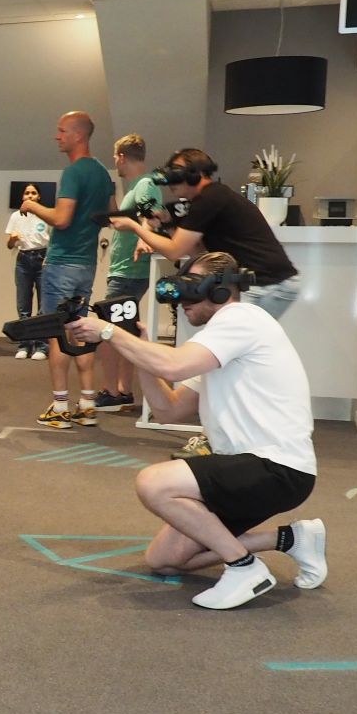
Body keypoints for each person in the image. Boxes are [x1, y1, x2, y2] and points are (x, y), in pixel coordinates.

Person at [67, 251, 326, 610]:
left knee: (154, 483)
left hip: (275, 468)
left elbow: (172, 366)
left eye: (192, 288)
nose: (182, 300)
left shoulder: (241, 319)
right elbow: (167, 408)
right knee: (165, 559)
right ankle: (289, 539)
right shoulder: (216, 342)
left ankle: (243, 567)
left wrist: (109, 332)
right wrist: (135, 353)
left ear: (220, 291)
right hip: (246, 470)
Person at [110, 148, 300, 458]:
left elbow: (175, 251)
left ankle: (216, 438)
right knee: (220, 361)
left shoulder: (210, 199)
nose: (170, 181)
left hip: (265, 286)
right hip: (266, 284)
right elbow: (195, 249)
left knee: (216, 357)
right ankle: (215, 434)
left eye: (177, 173)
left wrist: (135, 227)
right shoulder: (209, 200)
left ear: (197, 175)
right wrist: (163, 224)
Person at [19, 111, 115, 429]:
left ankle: (60, 406)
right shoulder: (102, 173)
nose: (56, 136)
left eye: (61, 131)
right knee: (80, 330)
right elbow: (112, 215)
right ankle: (87, 404)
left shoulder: (74, 172)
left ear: (78, 135)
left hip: (62, 263)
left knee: (56, 334)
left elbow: (62, 219)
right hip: (86, 264)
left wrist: (32, 207)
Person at [94, 134, 162, 412]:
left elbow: (151, 214)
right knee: (125, 330)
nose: (116, 164)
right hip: (126, 270)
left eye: (116, 159)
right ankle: (123, 390)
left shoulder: (145, 185)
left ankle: (112, 390)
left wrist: (146, 237)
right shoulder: (135, 187)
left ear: (121, 157)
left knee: (108, 330)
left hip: (129, 271)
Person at [3, 183, 50, 360]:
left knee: (43, 307)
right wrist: (12, 239)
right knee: (23, 306)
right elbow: (9, 245)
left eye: (33, 193)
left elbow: (53, 241)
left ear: (38, 197)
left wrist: (48, 259)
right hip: (23, 259)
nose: (30, 195)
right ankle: (24, 344)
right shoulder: (15, 216)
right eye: (27, 193)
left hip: (43, 258)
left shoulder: (45, 214)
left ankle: (42, 346)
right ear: (23, 197)